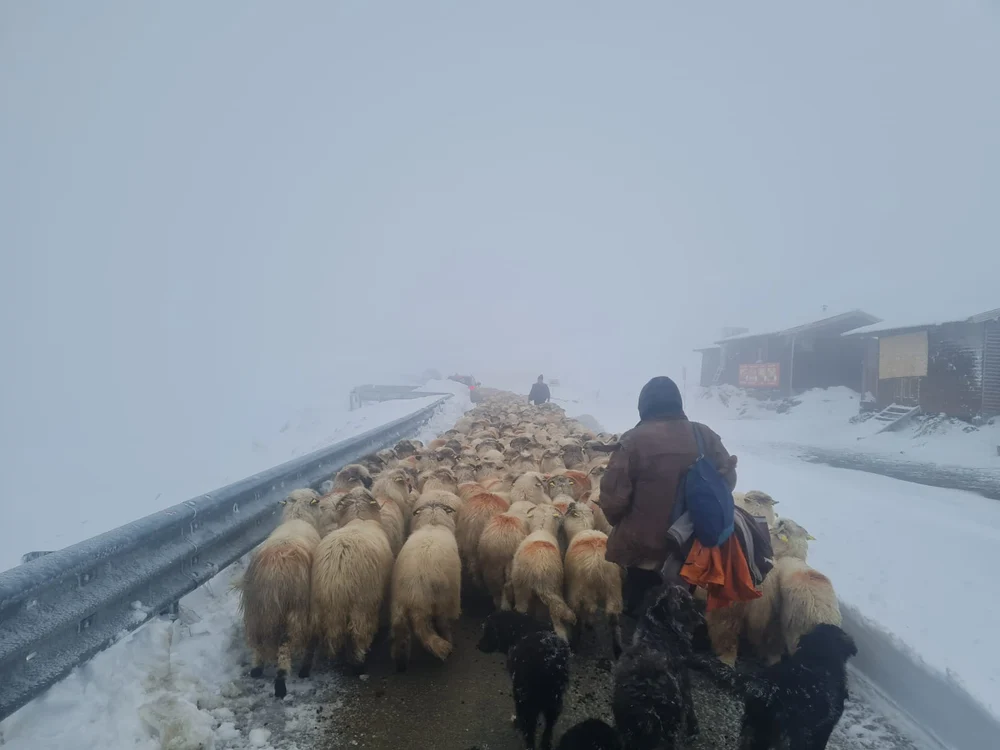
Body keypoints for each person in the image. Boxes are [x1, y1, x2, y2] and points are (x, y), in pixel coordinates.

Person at [599, 376, 738, 616]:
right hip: (692, 546)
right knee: (679, 612)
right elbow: (727, 481)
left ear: (644, 406)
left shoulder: (634, 440)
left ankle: (638, 644)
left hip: (643, 551)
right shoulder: (704, 434)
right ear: (678, 403)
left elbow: (613, 501)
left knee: (639, 612)